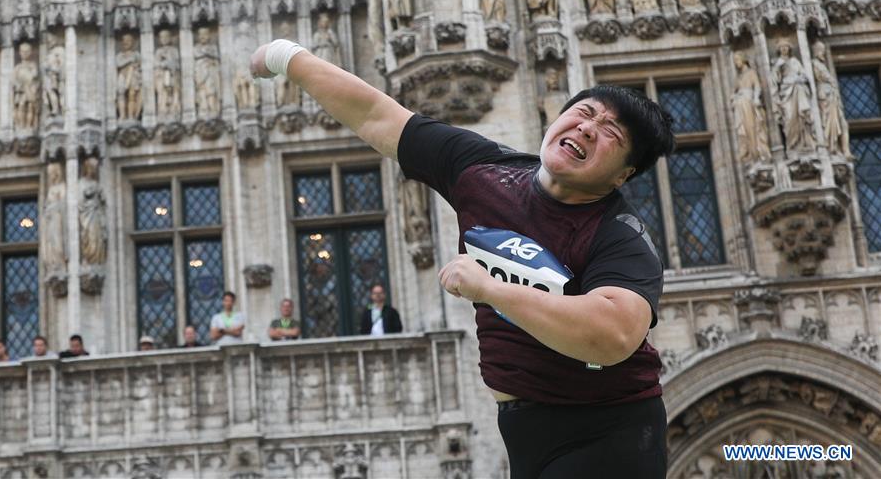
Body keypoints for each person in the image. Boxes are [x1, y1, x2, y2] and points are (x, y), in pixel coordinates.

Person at [251, 36, 675, 478]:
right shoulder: (483, 171)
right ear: (558, 118)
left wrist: (491, 289)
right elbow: (376, 114)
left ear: (624, 174)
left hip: (610, 432)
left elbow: (611, 335)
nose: (589, 127)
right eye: (586, 112)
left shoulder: (620, 235)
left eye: (611, 132)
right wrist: (288, 57)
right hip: (524, 427)